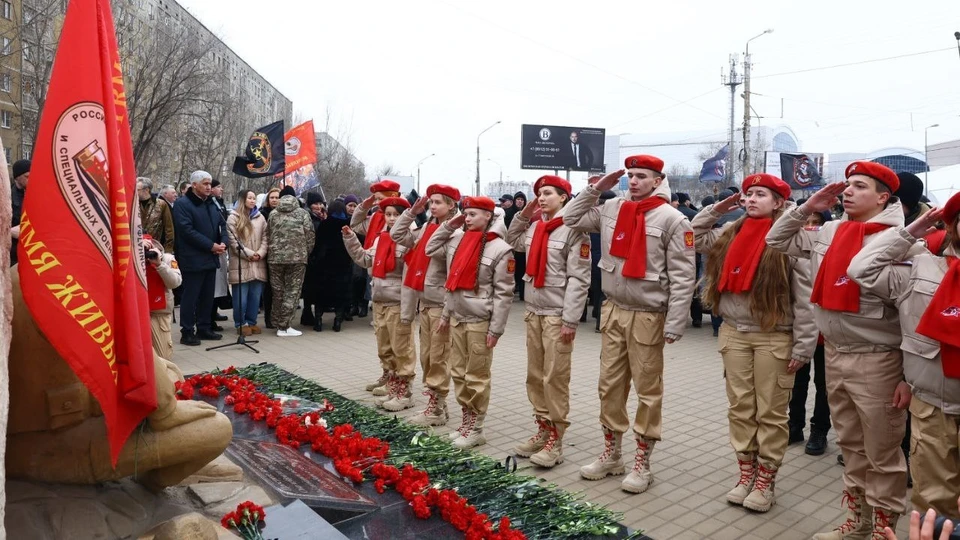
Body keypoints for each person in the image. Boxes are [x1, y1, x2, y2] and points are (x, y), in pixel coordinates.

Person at [767, 162, 920, 539]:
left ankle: (885, 530)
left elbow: (911, 315)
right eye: (847, 185)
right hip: (834, 353)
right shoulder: (830, 229)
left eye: (860, 186)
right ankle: (857, 523)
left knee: (883, 453)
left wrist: (908, 377)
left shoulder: (901, 241)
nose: (848, 191)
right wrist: (806, 208)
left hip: (878, 360)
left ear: (884, 197)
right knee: (851, 445)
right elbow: (777, 240)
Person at [563, 155, 696, 494]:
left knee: (648, 391)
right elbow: (570, 218)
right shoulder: (611, 208)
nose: (634, 181)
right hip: (614, 310)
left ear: (657, 180)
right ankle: (611, 454)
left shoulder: (673, 219)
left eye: (641, 176)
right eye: (630, 176)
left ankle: (643, 462)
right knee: (609, 386)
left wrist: (676, 323)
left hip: (648, 315)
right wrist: (595, 190)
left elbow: (683, 277)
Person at [693, 174, 817, 512]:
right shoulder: (730, 231)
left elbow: (806, 299)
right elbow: (695, 235)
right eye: (747, 195)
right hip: (734, 332)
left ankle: (766, 480)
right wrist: (720, 207)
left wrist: (804, 346)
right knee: (740, 408)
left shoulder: (792, 240)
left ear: (779, 202)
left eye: (760, 195)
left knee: (772, 413)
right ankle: (745, 472)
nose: (750, 200)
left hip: (774, 336)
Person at [848, 195, 960, 523]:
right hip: (932, 406)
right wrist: (912, 230)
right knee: (933, 506)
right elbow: (860, 268)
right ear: (953, 224)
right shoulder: (922, 265)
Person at [506, 175, 591, 468]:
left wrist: (570, 320)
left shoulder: (573, 231)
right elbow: (511, 240)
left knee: (555, 377)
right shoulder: (534, 227)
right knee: (535, 375)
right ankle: (542, 429)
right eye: (539, 194)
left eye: (548, 194)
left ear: (564, 197)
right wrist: (523, 214)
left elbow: (580, 280)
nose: (541, 198)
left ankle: (556, 439)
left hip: (557, 316)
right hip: (533, 311)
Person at [426, 196, 515, 449]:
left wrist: (496, 329)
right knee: (458, 373)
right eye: (466, 214)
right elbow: (429, 249)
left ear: (489, 216)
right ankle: (466, 421)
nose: (467, 218)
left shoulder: (500, 249)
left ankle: (476, 428)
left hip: (479, 321)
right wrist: (449, 224)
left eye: (473, 214)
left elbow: (504, 294)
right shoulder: (458, 239)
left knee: (476, 376)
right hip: (457, 318)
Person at [391, 184, 461, 426]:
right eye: (430, 202)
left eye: (438, 202)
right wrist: (411, 212)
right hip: (425, 301)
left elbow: (452, 271)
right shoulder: (426, 227)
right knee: (427, 357)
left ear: (452, 205)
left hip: (441, 304)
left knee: (439, 357)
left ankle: (437, 408)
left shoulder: (455, 232)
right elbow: (397, 236)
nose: (432, 206)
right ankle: (435, 403)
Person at [343, 197, 416, 411]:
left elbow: (412, 275)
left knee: (402, 348)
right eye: (388, 214)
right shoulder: (381, 238)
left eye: (396, 214)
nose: (392, 218)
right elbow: (366, 260)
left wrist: (409, 308)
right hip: (380, 300)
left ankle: (405, 393)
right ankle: (393, 389)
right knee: (385, 348)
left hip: (399, 302)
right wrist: (351, 239)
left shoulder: (411, 238)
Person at [788, 209, 833, 457]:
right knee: (797, 381)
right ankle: (794, 425)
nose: (811, 227)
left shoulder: (833, 249)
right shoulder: (792, 252)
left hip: (828, 331)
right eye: (807, 222)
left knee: (824, 384)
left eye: (817, 223)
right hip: (800, 328)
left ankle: (820, 430)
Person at [172, 170, 227, 346]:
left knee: (207, 296)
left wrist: (223, 243)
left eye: (210, 183)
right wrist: (211, 246)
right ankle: (187, 331)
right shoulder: (183, 204)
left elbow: (223, 225)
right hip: (193, 258)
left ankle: (204, 327)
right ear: (194, 185)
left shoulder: (212, 204)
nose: (209, 187)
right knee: (191, 296)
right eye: (205, 183)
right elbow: (186, 230)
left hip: (211, 257)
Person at [267, 186, 315, 337]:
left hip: (275, 258)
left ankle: (276, 321)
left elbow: (268, 235)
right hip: (297, 258)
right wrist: (305, 252)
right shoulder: (303, 214)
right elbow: (310, 236)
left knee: (278, 291)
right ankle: (284, 326)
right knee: (292, 292)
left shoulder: (273, 214)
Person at [226, 189, 268, 337]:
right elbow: (233, 242)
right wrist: (250, 254)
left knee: (255, 297)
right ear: (243, 200)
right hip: (241, 262)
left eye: (254, 198)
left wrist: (260, 253)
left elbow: (265, 238)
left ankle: (252, 321)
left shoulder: (260, 217)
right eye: (250, 198)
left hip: (258, 262)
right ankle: (240, 323)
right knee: (241, 297)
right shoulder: (233, 218)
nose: (252, 200)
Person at [314, 199, 353, 332]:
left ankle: (318, 320)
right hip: (342, 264)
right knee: (340, 294)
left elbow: (317, 244)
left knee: (321, 293)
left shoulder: (324, 224)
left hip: (324, 264)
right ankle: (337, 321)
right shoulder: (348, 224)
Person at [144, 233, 181, 360]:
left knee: (163, 357)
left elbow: (175, 283)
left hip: (159, 313)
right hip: (137, 311)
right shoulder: (129, 256)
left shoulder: (166, 258)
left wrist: (159, 264)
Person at [301, 192, 327, 330]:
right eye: (315, 203)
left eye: (320, 203)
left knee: (316, 287)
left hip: (320, 258)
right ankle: (307, 312)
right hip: (311, 256)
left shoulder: (322, 217)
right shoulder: (308, 217)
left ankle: (312, 313)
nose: (318, 206)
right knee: (309, 287)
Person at [259, 187, 281, 328]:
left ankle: (278, 315)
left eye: (277, 197)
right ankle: (268, 318)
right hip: (267, 254)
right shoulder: (262, 214)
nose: (274, 200)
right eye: (272, 197)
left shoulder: (282, 214)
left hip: (280, 255)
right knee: (268, 288)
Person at [209, 179, 230, 330]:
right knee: (211, 287)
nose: (221, 189)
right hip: (210, 249)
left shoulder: (219, 204)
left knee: (219, 286)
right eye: (218, 187)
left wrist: (224, 242)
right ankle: (207, 319)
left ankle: (213, 313)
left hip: (220, 249)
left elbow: (224, 225)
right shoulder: (210, 204)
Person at [137, 177, 175, 253]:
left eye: (137, 190)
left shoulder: (161, 204)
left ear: (147, 190)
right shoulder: (133, 204)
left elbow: (169, 229)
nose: (134, 191)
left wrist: (168, 251)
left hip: (155, 248)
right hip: (137, 247)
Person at [9, 159, 29, 266]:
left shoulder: (35, 194)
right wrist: (10, 231)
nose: (30, 179)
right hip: (13, 256)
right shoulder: (6, 198)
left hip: (33, 252)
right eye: (27, 176)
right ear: (17, 177)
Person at [513, 191, 529, 301]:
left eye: (522, 200)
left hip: (524, 247)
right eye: (518, 199)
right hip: (513, 247)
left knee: (524, 271)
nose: (520, 201)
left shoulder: (529, 213)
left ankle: (523, 294)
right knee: (512, 272)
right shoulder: (509, 213)